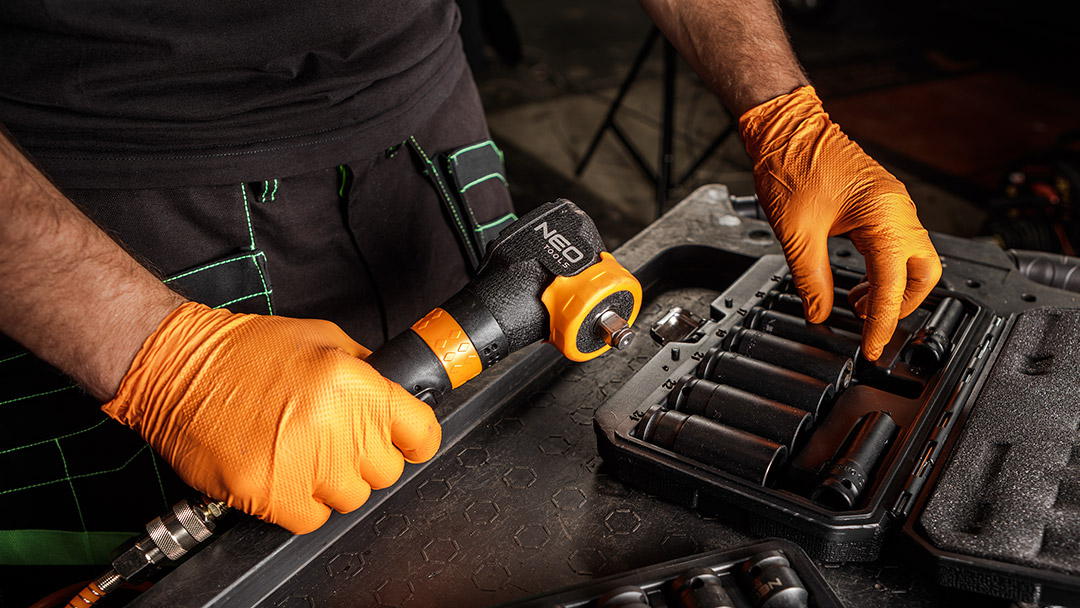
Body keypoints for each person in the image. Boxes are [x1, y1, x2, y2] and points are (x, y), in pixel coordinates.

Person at [0, 0, 939, 571]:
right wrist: (158, 355)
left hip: (426, 137)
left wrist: (785, 113)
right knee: (181, 572)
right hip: (96, 219)